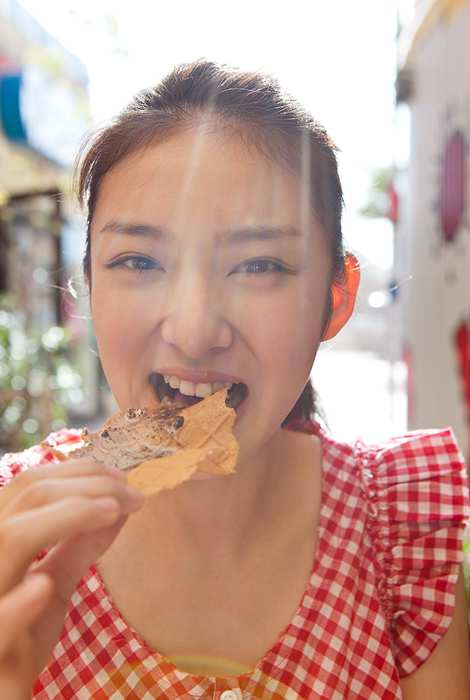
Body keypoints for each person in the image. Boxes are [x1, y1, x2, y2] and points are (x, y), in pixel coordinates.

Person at [0, 59, 469, 699]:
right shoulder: (18, 532)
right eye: (138, 260)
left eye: (258, 265)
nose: (194, 330)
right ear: (88, 289)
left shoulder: (398, 532)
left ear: (336, 299)